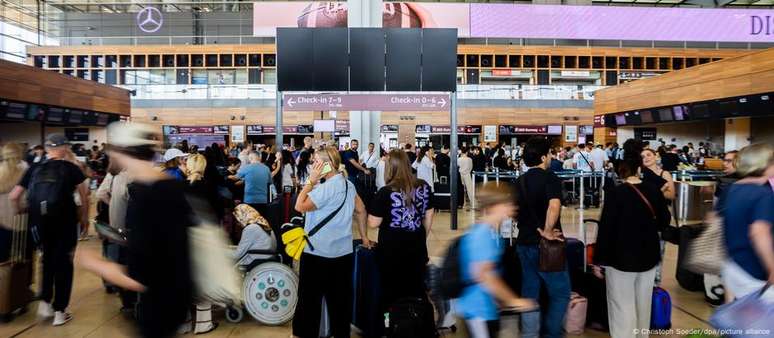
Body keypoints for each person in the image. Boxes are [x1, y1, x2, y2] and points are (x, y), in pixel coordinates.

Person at [76, 122, 193, 338]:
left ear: (121, 153)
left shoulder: (144, 195)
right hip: (178, 298)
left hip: (158, 307)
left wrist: (96, 264)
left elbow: (141, 276)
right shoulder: (172, 186)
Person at [593, 139, 671, 338]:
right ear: (638, 169)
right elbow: (664, 221)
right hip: (648, 257)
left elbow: (605, 230)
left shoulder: (616, 194)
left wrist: (598, 261)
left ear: (621, 172)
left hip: (619, 259)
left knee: (621, 305)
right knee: (643, 303)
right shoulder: (654, 190)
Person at [9, 134, 88, 327]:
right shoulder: (71, 169)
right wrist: (84, 220)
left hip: (39, 223)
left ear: (47, 149)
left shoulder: (34, 168)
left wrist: (22, 210)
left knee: (46, 259)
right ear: (64, 148)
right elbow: (84, 196)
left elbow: (14, 196)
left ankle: (45, 302)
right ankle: (60, 310)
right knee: (64, 263)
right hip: (65, 222)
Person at [292, 146, 370, 338]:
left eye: (316, 162)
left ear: (327, 165)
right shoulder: (347, 185)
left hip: (317, 253)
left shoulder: (325, 188)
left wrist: (310, 182)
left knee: (309, 303)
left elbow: (299, 205)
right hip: (343, 254)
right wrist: (365, 236)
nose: (313, 165)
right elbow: (361, 210)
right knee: (340, 303)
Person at [457, 182, 537, 338]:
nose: (513, 206)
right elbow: (484, 276)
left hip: (487, 308)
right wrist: (514, 301)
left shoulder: (493, 233)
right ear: (495, 206)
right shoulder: (483, 235)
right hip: (477, 311)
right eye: (508, 203)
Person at [513, 137, 569, 338]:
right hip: (547, 247)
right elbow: (554, 205)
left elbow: (514, 211)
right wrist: (546, 230)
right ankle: (551, 334)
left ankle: (529, 334)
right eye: (550, 154)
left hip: (524, 243)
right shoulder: (550, 177)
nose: (551, 157)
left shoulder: (520, 181)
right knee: (561, 293)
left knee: (530, 294)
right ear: (544, 157)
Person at [368, 150, 434, 318]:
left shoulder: (385, 192)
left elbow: (374, 223)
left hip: (391, 250)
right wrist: (421, 236)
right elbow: (429, 214)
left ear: (390, 168)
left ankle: (393, 325)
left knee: (391, 291)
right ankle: (417, 323)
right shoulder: (423, 186)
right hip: (417, 248)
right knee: (417, 288)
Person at [720, 143, 774, 299]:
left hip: (734, 265)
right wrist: (771, 267)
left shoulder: (733, 189)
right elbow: (759, 232)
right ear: (765, 164)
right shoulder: (764, 195)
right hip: (755, 270)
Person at [182, 153, 220, 334]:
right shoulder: (209, 187)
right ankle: (203, 324)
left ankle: (183, 323)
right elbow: (216, 212)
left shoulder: (180, 187)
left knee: (184, 279)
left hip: (183, 237)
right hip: (205, 237)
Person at [95, 159, 136, 312]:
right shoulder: (130, 176)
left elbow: (100, 193)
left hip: (114, 224)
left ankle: (114, 287)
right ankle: (129, 301)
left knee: (115, 256)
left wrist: (112, 203)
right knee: (128, 262)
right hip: (127, 227)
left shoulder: (113, 175)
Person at [0, 144, 28, 261]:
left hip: (1, 219)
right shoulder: (26, 169)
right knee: (22, 256)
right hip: (21, 219)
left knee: (2, 255)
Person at [228, 152, 272, 217]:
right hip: (263, 200)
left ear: (251, 158)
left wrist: (228, 175)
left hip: (249, 200)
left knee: (250, 220)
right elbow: (269, 182)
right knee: (261, 220)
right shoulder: (266, 168)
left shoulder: (246, 168)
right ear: (259, 158)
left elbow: (235, 178)